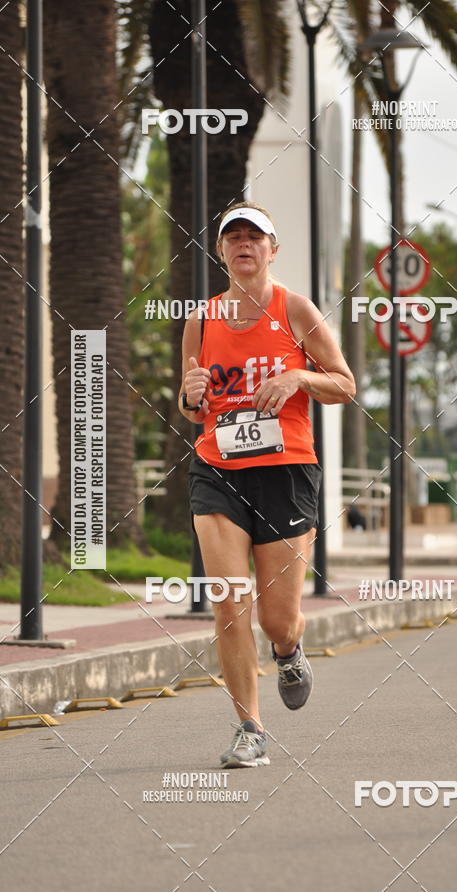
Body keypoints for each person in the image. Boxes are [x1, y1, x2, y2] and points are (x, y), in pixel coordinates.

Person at [179, 202, 355, 767]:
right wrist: (191, 394)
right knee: (230, 604)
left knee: (275, 617)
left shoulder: (295, 309)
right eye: (233, 238)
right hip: (218, 470)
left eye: (255, 237)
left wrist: (298, 375)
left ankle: (287, 648)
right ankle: (250, 729)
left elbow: (345, 384)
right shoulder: (201, 320)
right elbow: (190, 405)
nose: (243, 245)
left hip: (285, 474)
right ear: (221, 251)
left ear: (272, 250)